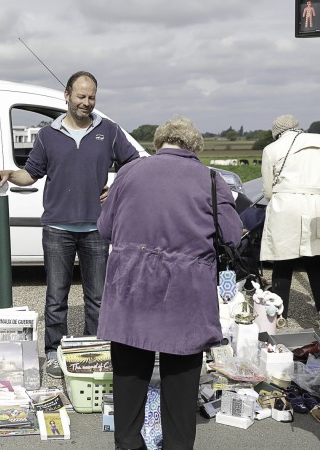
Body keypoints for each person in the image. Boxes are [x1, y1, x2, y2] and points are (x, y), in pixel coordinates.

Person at [96, 116, 242, 449]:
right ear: (194, 148)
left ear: (159, 143)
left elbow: (105, 229)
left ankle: (129, 443)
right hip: (185, 297)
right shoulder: (210, 179)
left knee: (130, 378)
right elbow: (232, 236)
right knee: (180, 384)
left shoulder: (130, 171)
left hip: (130, 289)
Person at [0, 71, 140, 379]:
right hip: (57, 227)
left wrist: (117, 187)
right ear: (67, 96)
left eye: (91, 97)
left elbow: (134, 162)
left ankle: (93, 350)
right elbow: (31, 173)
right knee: (56, 296)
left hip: (97, 228)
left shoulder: (109, 130)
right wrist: (9, 173)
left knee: (97, 296)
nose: (86, 103)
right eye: (81, 96)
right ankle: (53, 352)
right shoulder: (48, 135)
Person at [260, 114, 320, 321]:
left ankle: (278, 317)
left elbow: (268, 191)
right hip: (317, 204)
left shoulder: (271, 149)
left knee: (283, 260)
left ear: (277, 133)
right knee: (315, 259)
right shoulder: (318, 140)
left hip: (285, 206)